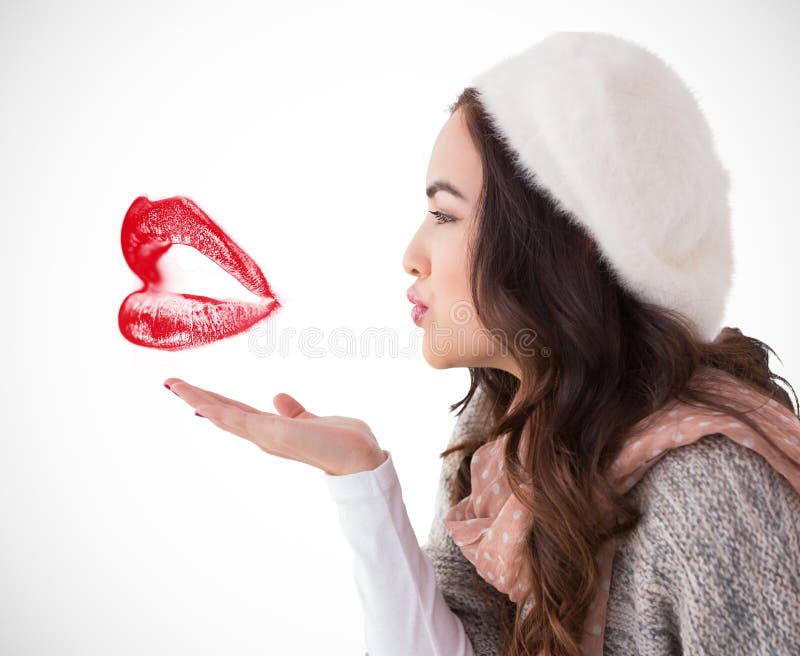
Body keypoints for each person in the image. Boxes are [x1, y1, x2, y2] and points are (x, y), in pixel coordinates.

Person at [164, 31, 800, 656]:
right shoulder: (503, 425)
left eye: (445, 214)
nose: (411, 255)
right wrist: (360, 479)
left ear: (570, 240)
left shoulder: (715, 492)